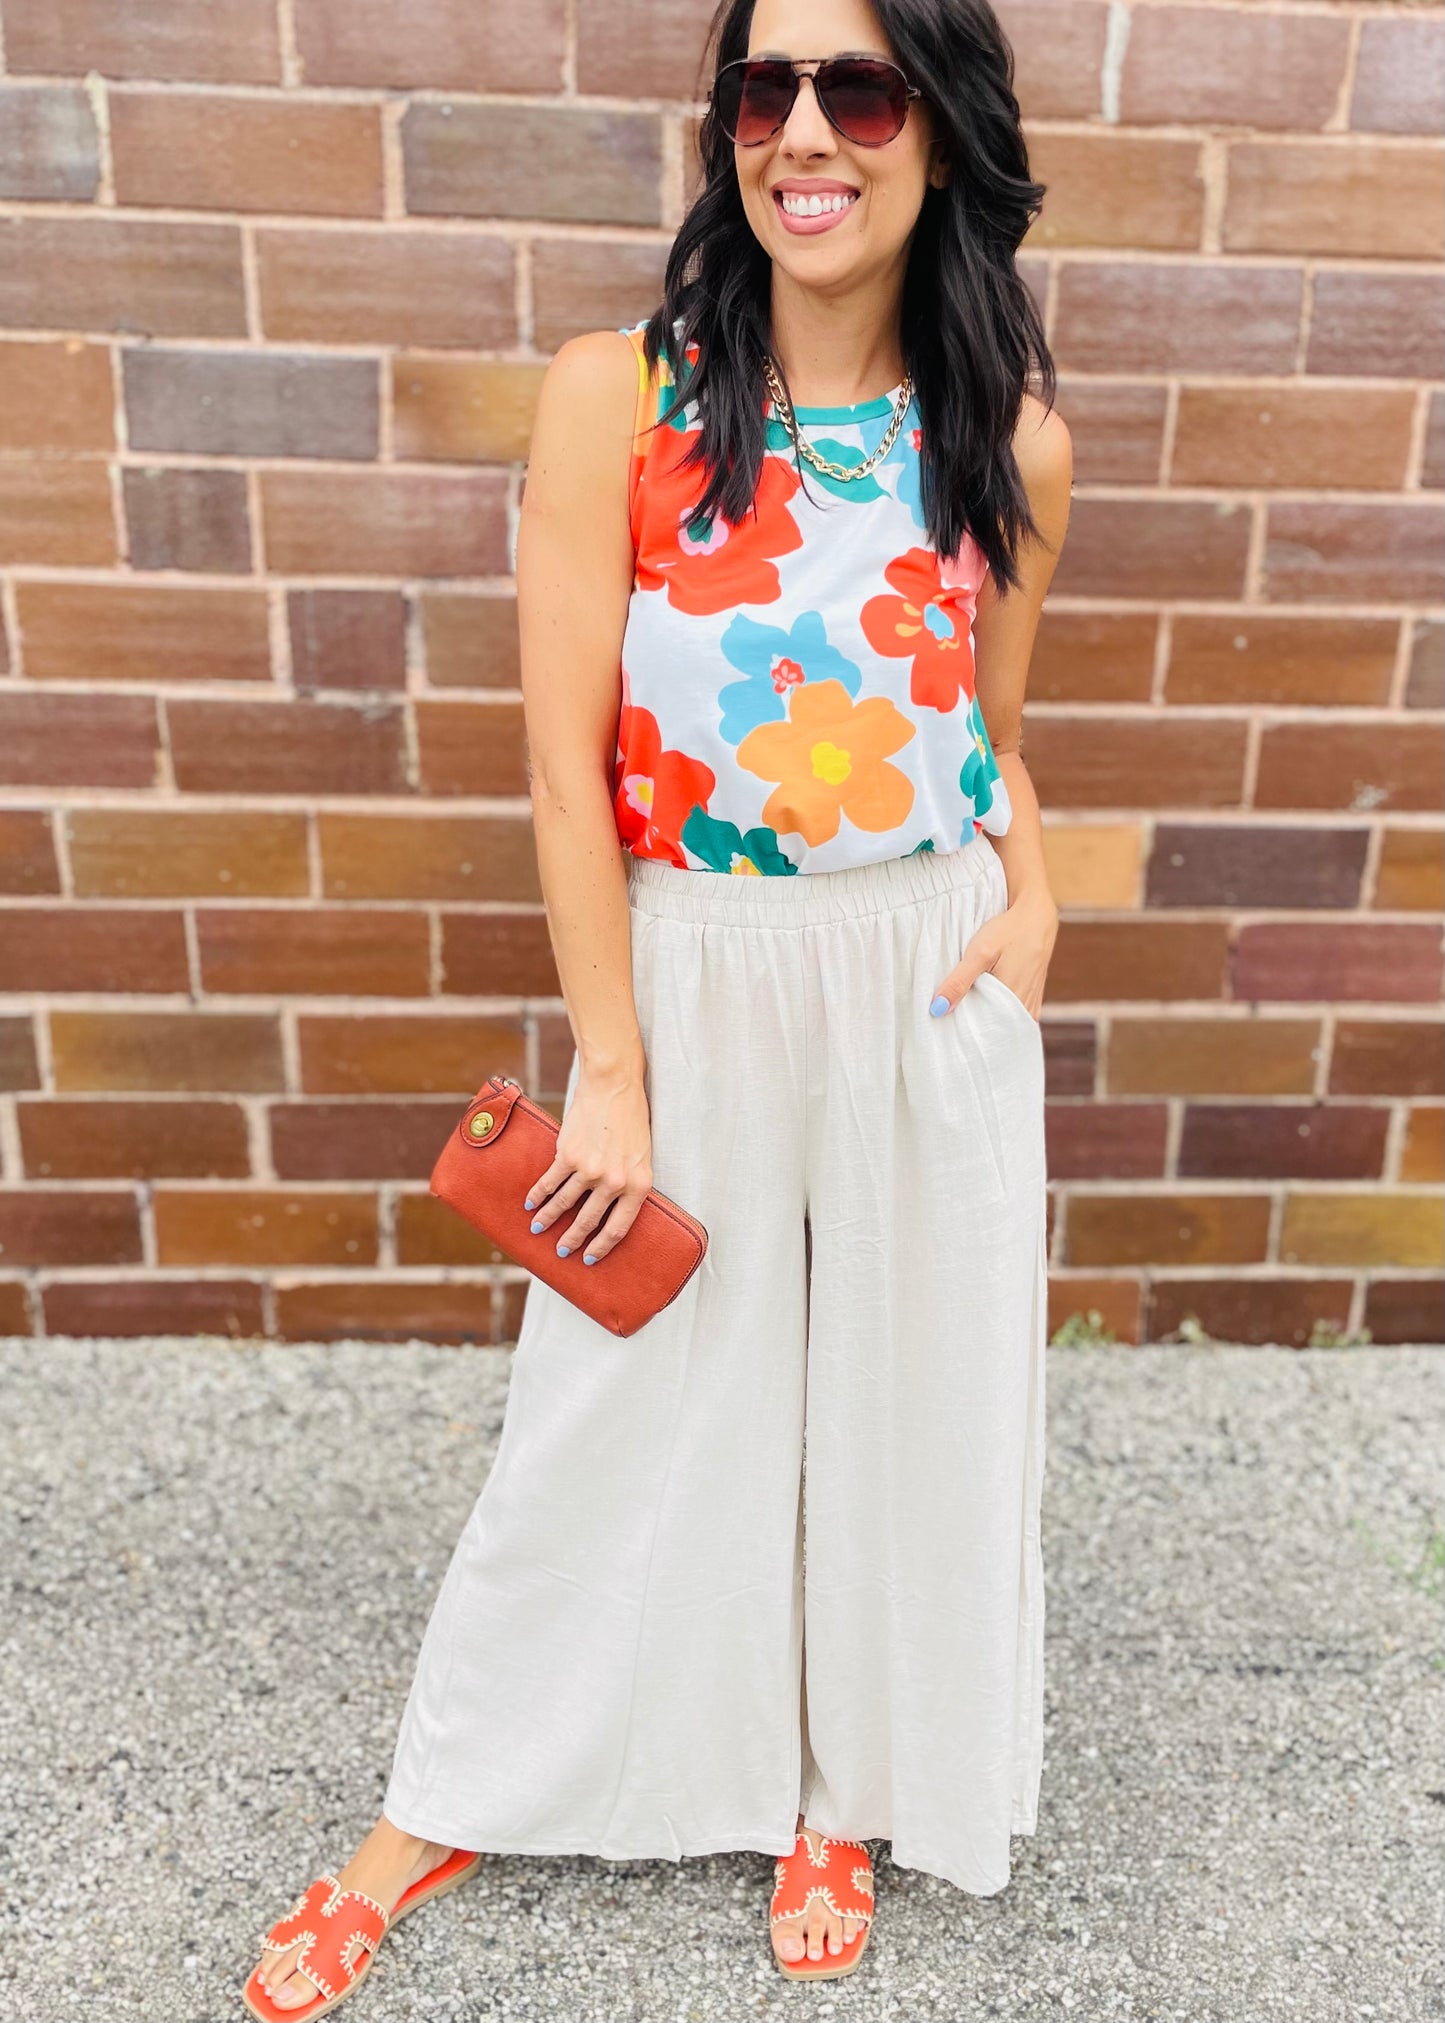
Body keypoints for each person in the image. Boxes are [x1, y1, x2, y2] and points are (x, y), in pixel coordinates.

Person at [246, 0, 1071, 2009]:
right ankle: (441, 1791)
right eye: (765, 88)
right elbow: (558, 769)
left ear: (938, 138)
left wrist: (1031, 903)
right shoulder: (616, 398)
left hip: (922, 978)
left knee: (895, 1399)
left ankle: (837, 1783)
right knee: (606, 1398)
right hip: (693, 971)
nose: (808, 130)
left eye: (858, 89)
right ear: (726, 132)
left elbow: (988, 736)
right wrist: (609, 1064)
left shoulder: (1011, 436)